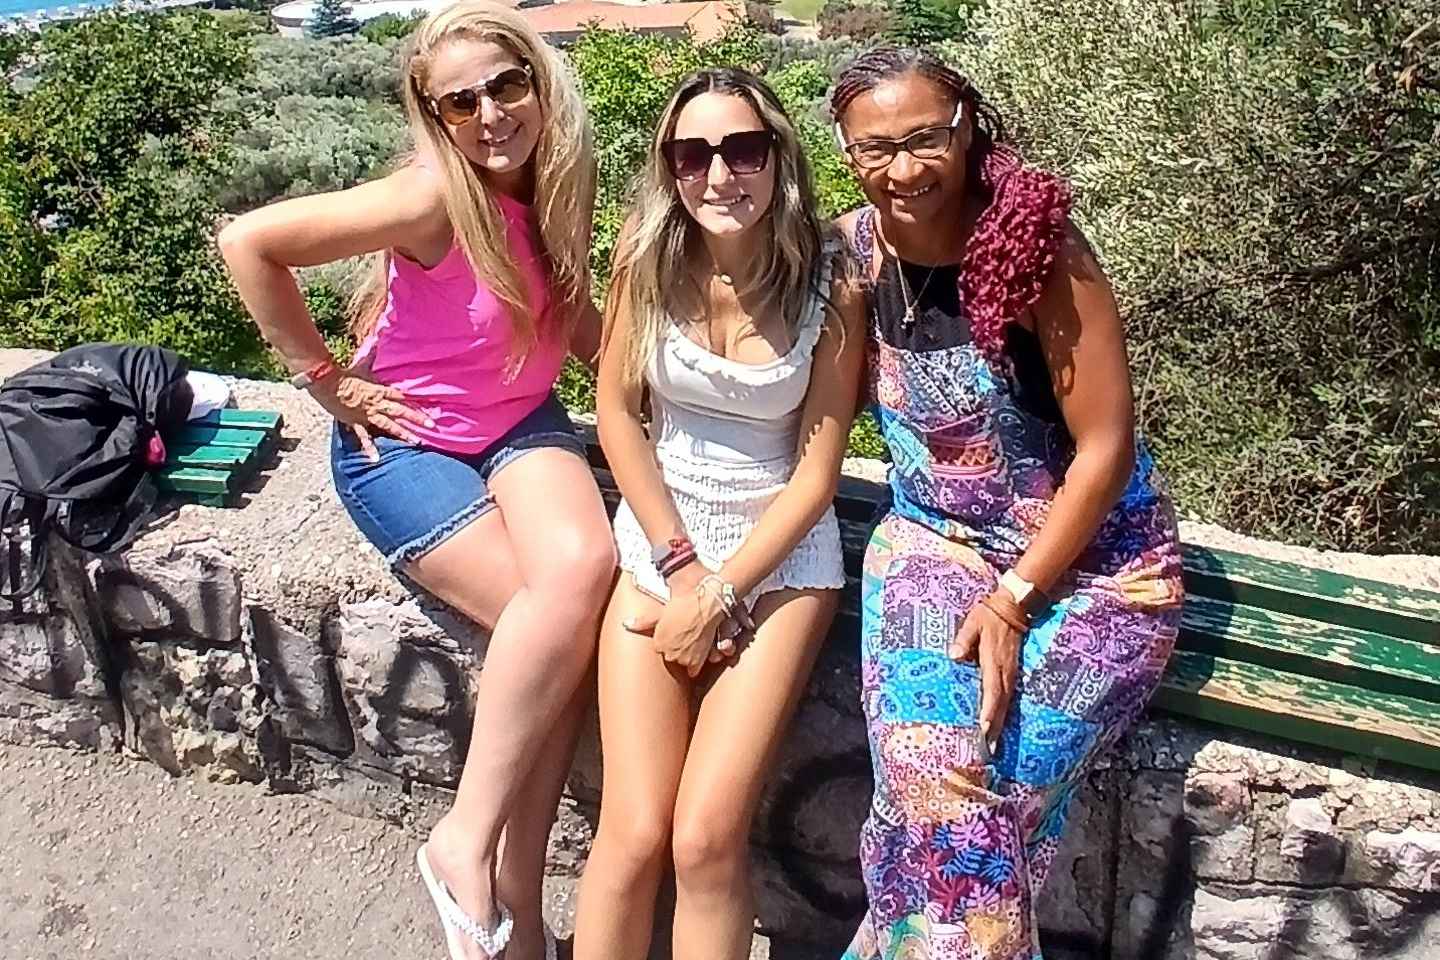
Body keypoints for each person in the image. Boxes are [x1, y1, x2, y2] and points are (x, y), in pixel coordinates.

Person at [217, 4, 615, 958]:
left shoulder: (557, 180)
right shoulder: (434, 196)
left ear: (538, 81)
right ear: (436, 117)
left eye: (506, 85)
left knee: (580, 581)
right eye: (461, 102)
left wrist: (674, 397)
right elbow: (249, 243)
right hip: (406, 445)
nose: (491, 114)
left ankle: (511, 908)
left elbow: (573, 316)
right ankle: (467, 852)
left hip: (520, 421)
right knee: (554, 632)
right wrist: (325, 380)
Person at [828, 46, 1185, 959]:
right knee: (933, 790)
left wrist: (1015, 597)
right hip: (933, 545)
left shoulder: (1039, 253)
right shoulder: (852, 253)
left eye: (925, 139)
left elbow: (1105, 447)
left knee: (975, 819)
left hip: (1098, 567)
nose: (904, 169)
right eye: (876, 148)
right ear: (846, 150)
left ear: (967, 129)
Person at [572, 68, 865, 960]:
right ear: (668, 167)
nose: (718, 175)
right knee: (632, 833)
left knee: (703, 838)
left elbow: (817, 473)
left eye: (742, 149)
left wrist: (724, 589)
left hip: (780, 557)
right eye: (691, 155)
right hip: (665, 537)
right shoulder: (646, 256)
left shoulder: (831, 283)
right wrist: (684, 571)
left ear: (778, 157)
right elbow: (617, 414)